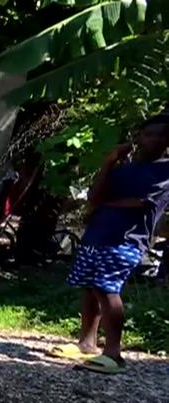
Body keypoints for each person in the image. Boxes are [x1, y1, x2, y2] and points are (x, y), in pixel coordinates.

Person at [50, 114, 169, 374]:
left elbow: (140, 202)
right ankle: (86, 343)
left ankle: (114, 354)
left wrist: (101, 204)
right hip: (97, 234)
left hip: (126, 239)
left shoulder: (166, 171)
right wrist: (108, 161)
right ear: (139, 137)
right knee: (90, 287)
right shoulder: (124, 169)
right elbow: (94, 194)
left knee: (106, 289)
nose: (155, 139)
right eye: (150, 134)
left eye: (162, 134)